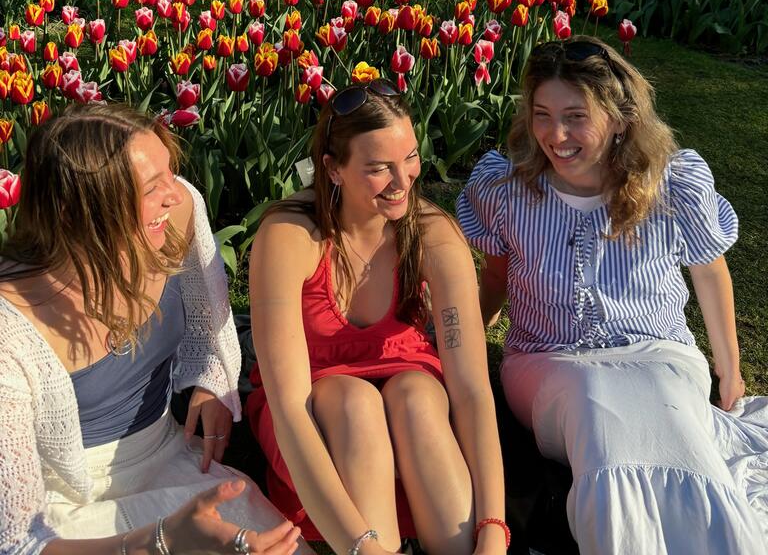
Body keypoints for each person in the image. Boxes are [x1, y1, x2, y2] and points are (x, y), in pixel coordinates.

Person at [456, 36, 767, 555]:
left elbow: (709, 274)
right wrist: (461, 344)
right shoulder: (507, 189)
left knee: (658, 401)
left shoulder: (671, 186)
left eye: (576, 115)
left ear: (620, 118)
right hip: (546, 363)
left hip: (659, 353)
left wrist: (729, 370)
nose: (555, 135)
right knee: (594, 399)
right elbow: (494, 279)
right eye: (542, 114)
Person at [0, 103, 310, 555]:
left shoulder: (178, 213)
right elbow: (20, 542)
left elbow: (208, 315)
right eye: (151, 187)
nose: (173, 193)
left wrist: (210, 379)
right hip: (63, 510)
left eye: (169, 172)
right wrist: (162, 540)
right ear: (87, 210)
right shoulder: (13, 326)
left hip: (166, 457)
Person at [247, 79, 509, 555]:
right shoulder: (289, 235)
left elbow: (471, 389)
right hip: (317, 408)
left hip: (409, 391)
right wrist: (362, 548)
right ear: (333, 169)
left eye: (410, 158)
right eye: (378, 169)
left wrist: (494, 527)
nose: (403, 181)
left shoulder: (433, 234)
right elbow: (289, 409)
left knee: (416, 395)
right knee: (353, 401)